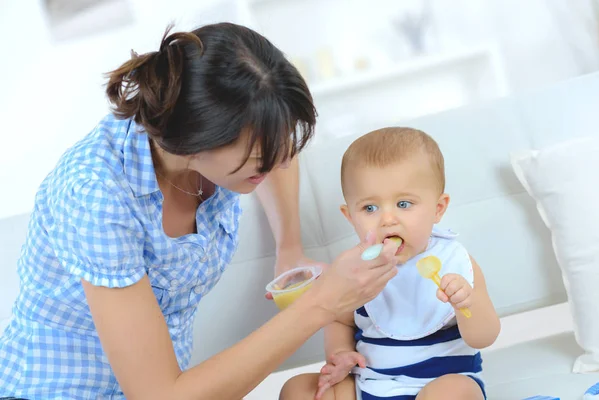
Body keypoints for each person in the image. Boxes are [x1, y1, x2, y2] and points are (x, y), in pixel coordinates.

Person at [0, 23, 401, 400]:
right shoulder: (96, 197)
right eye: (262, 159)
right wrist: (323, 304)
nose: (280, 164)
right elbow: (160, 394)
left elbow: (272, 143)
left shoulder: (218, 129)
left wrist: (289, 247)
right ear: (194, 142)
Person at [280, 128, 501, 400]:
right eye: (370, 208)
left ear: (438, 209)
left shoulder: (454, 262)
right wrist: (340, 354)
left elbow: (484, 337)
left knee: (453, 394)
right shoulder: (355, 271)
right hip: (370, 385)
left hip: (441, 383)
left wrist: (467, 304)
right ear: (350, 216)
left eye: (404, 204)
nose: (387, 219)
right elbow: (340, 320)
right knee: (297, 390)